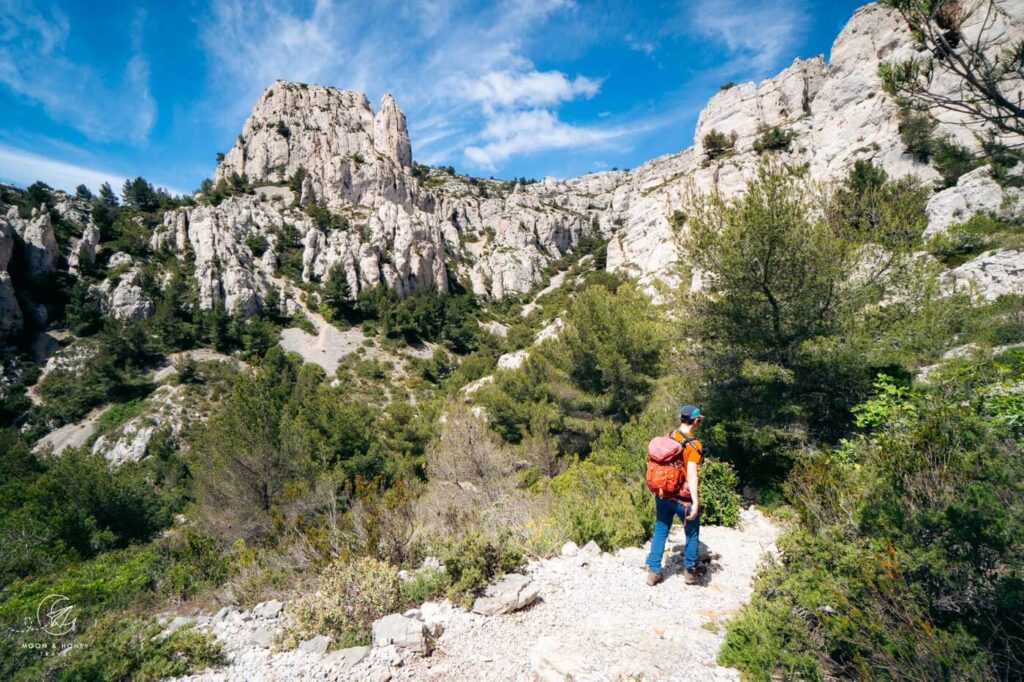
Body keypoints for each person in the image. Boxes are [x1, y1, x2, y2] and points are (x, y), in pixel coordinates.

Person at [646, 404, 705, 586]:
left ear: (681, 419)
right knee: (692, 533)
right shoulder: (695, 445)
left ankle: (654, 571)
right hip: (684, 498)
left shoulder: (670, 436)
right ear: (695, 421)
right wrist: (695, 502)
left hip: (664, 494)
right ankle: (690, 571)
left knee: (661, 530)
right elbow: (692, 473)